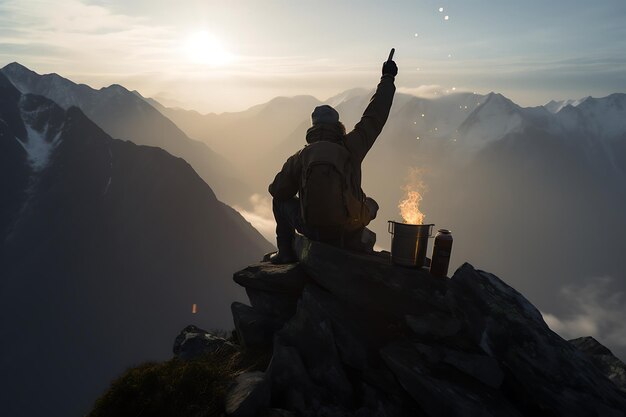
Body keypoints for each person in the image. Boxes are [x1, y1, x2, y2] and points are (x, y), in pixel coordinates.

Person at [267, 55, 397, 264]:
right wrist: (387, 78)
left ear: (313, 128)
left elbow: (277, 191)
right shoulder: (352, 146)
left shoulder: (301, 156)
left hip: (312, 230)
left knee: (279, 203)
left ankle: (285, 253)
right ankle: (356, 240)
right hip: (348, 228)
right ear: (338, 126)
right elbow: (375, 116)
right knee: (372, 204)